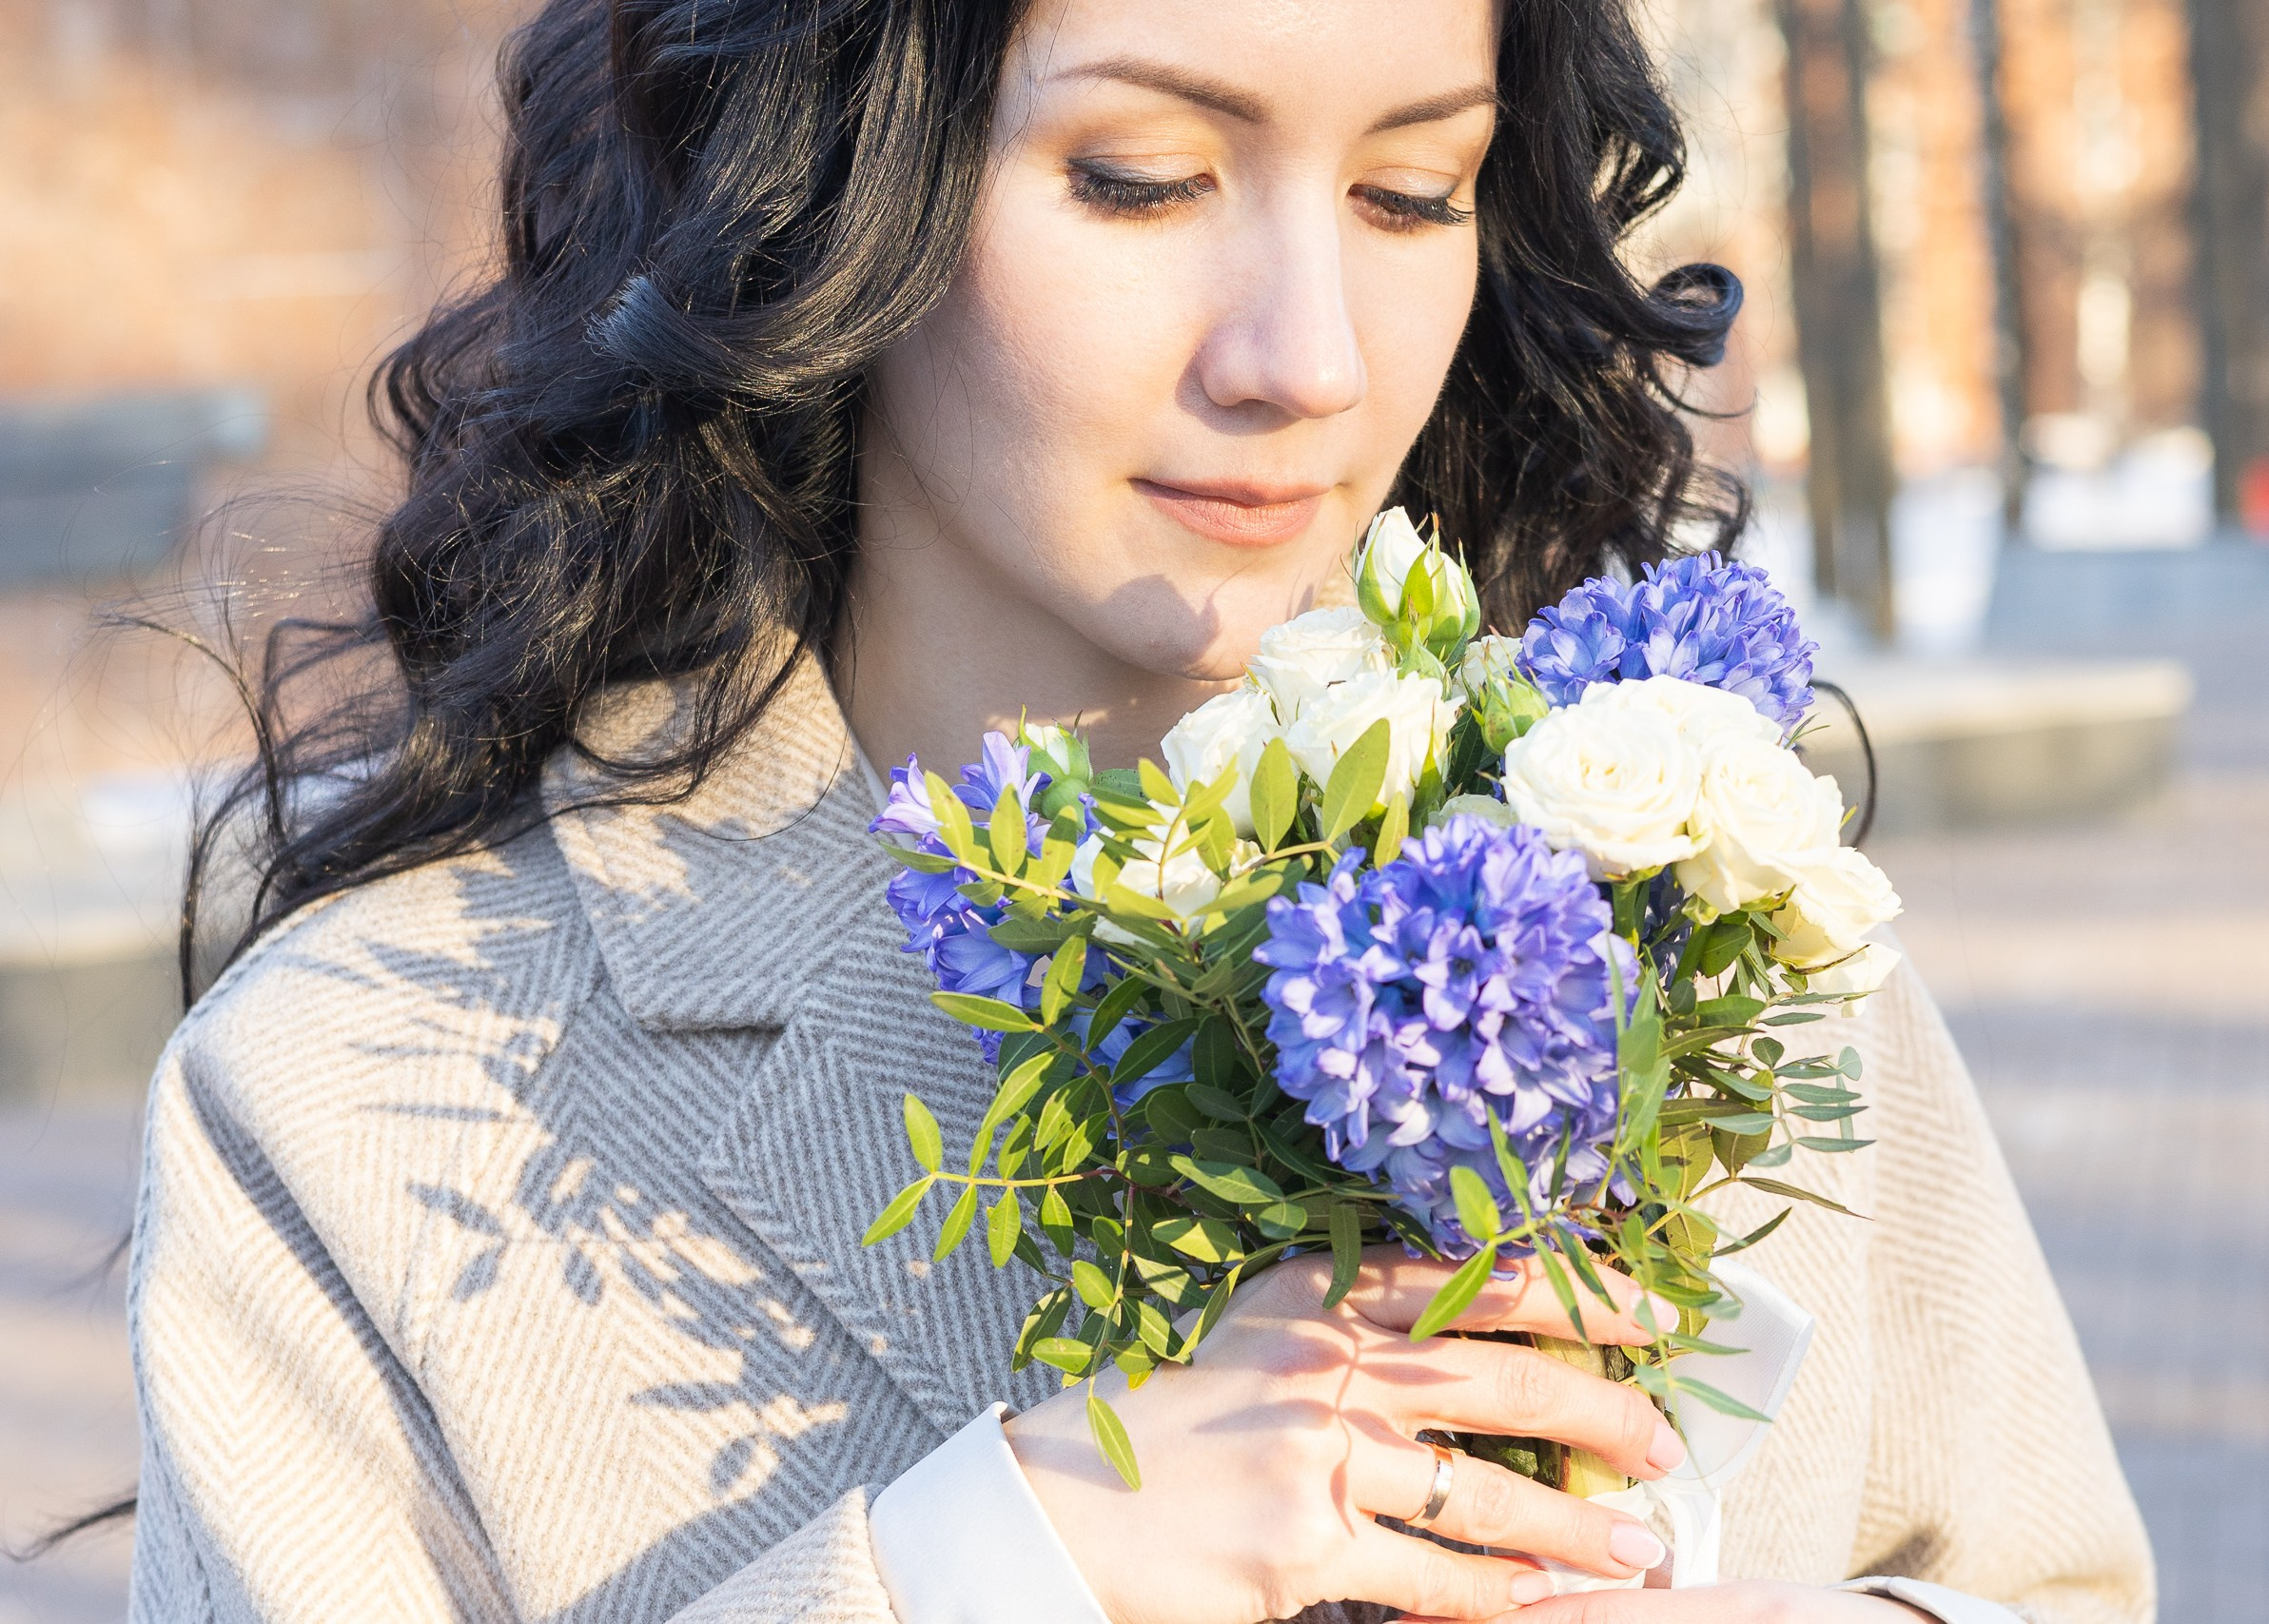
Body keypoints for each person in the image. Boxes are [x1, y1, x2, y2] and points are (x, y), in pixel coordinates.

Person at [125, 0, 2156, 1620]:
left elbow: (2039, 1570)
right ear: (833, 179)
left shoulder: (1688, 889)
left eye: (1410, 193)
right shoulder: (355, 1093)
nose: (1306, 357)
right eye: (1143, 177)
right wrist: (992, 1566)